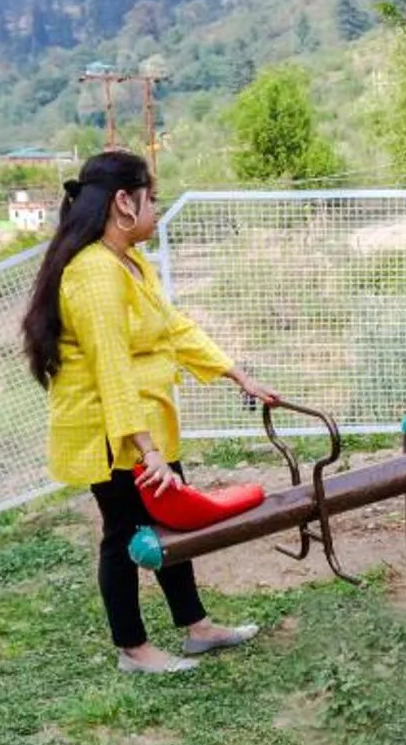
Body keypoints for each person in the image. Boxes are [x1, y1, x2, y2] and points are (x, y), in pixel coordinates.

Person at [21, 149, 276, 674]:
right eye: (151, 198)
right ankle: (133, 648)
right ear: (123, 202)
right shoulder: (94, 273)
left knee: (172, 524)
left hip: (143, 427)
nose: (156, 208)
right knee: (122, 535)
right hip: (110, 434)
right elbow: (110, 368)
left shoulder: (128, 262)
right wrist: (147, 450)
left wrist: (236, 373)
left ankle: (197, 627)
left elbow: (173, 326)